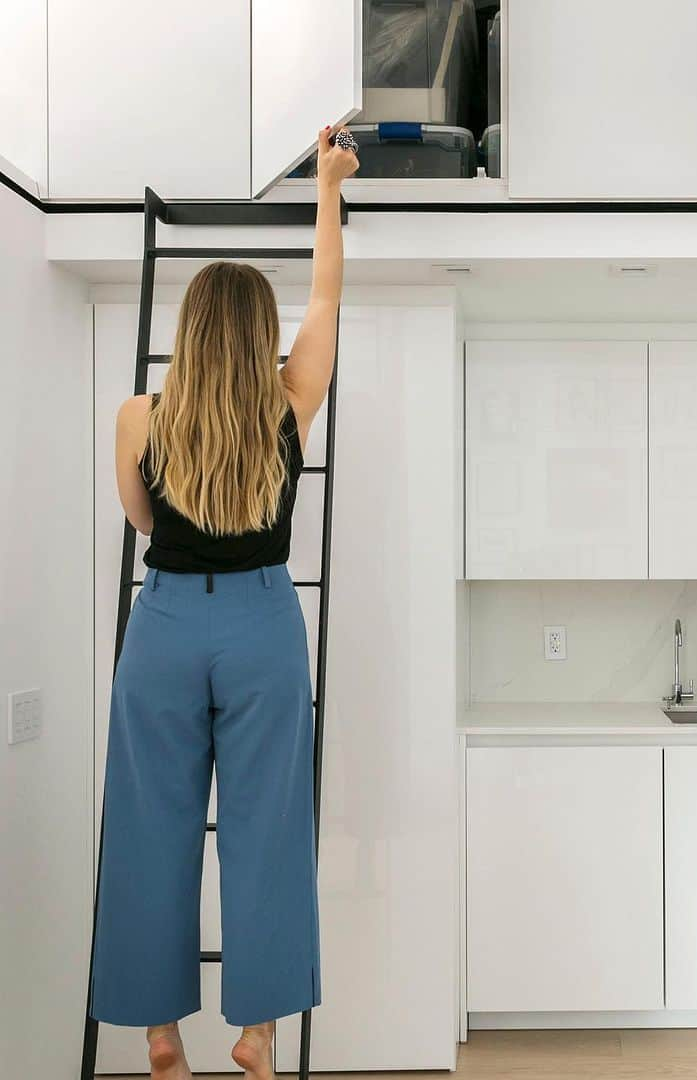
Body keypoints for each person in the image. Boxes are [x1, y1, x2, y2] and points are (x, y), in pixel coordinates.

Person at [88, 127, 358, 1080]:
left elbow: (138, 518)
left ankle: (162, 1042)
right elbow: (325, 296)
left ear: (191, 330)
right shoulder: (289, 404)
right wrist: (327, 186)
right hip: (262, 626)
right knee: (267, 832)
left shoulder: (140, 417)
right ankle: (259, 1036)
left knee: (148, 827)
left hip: (164, 626)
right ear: (255, 336)